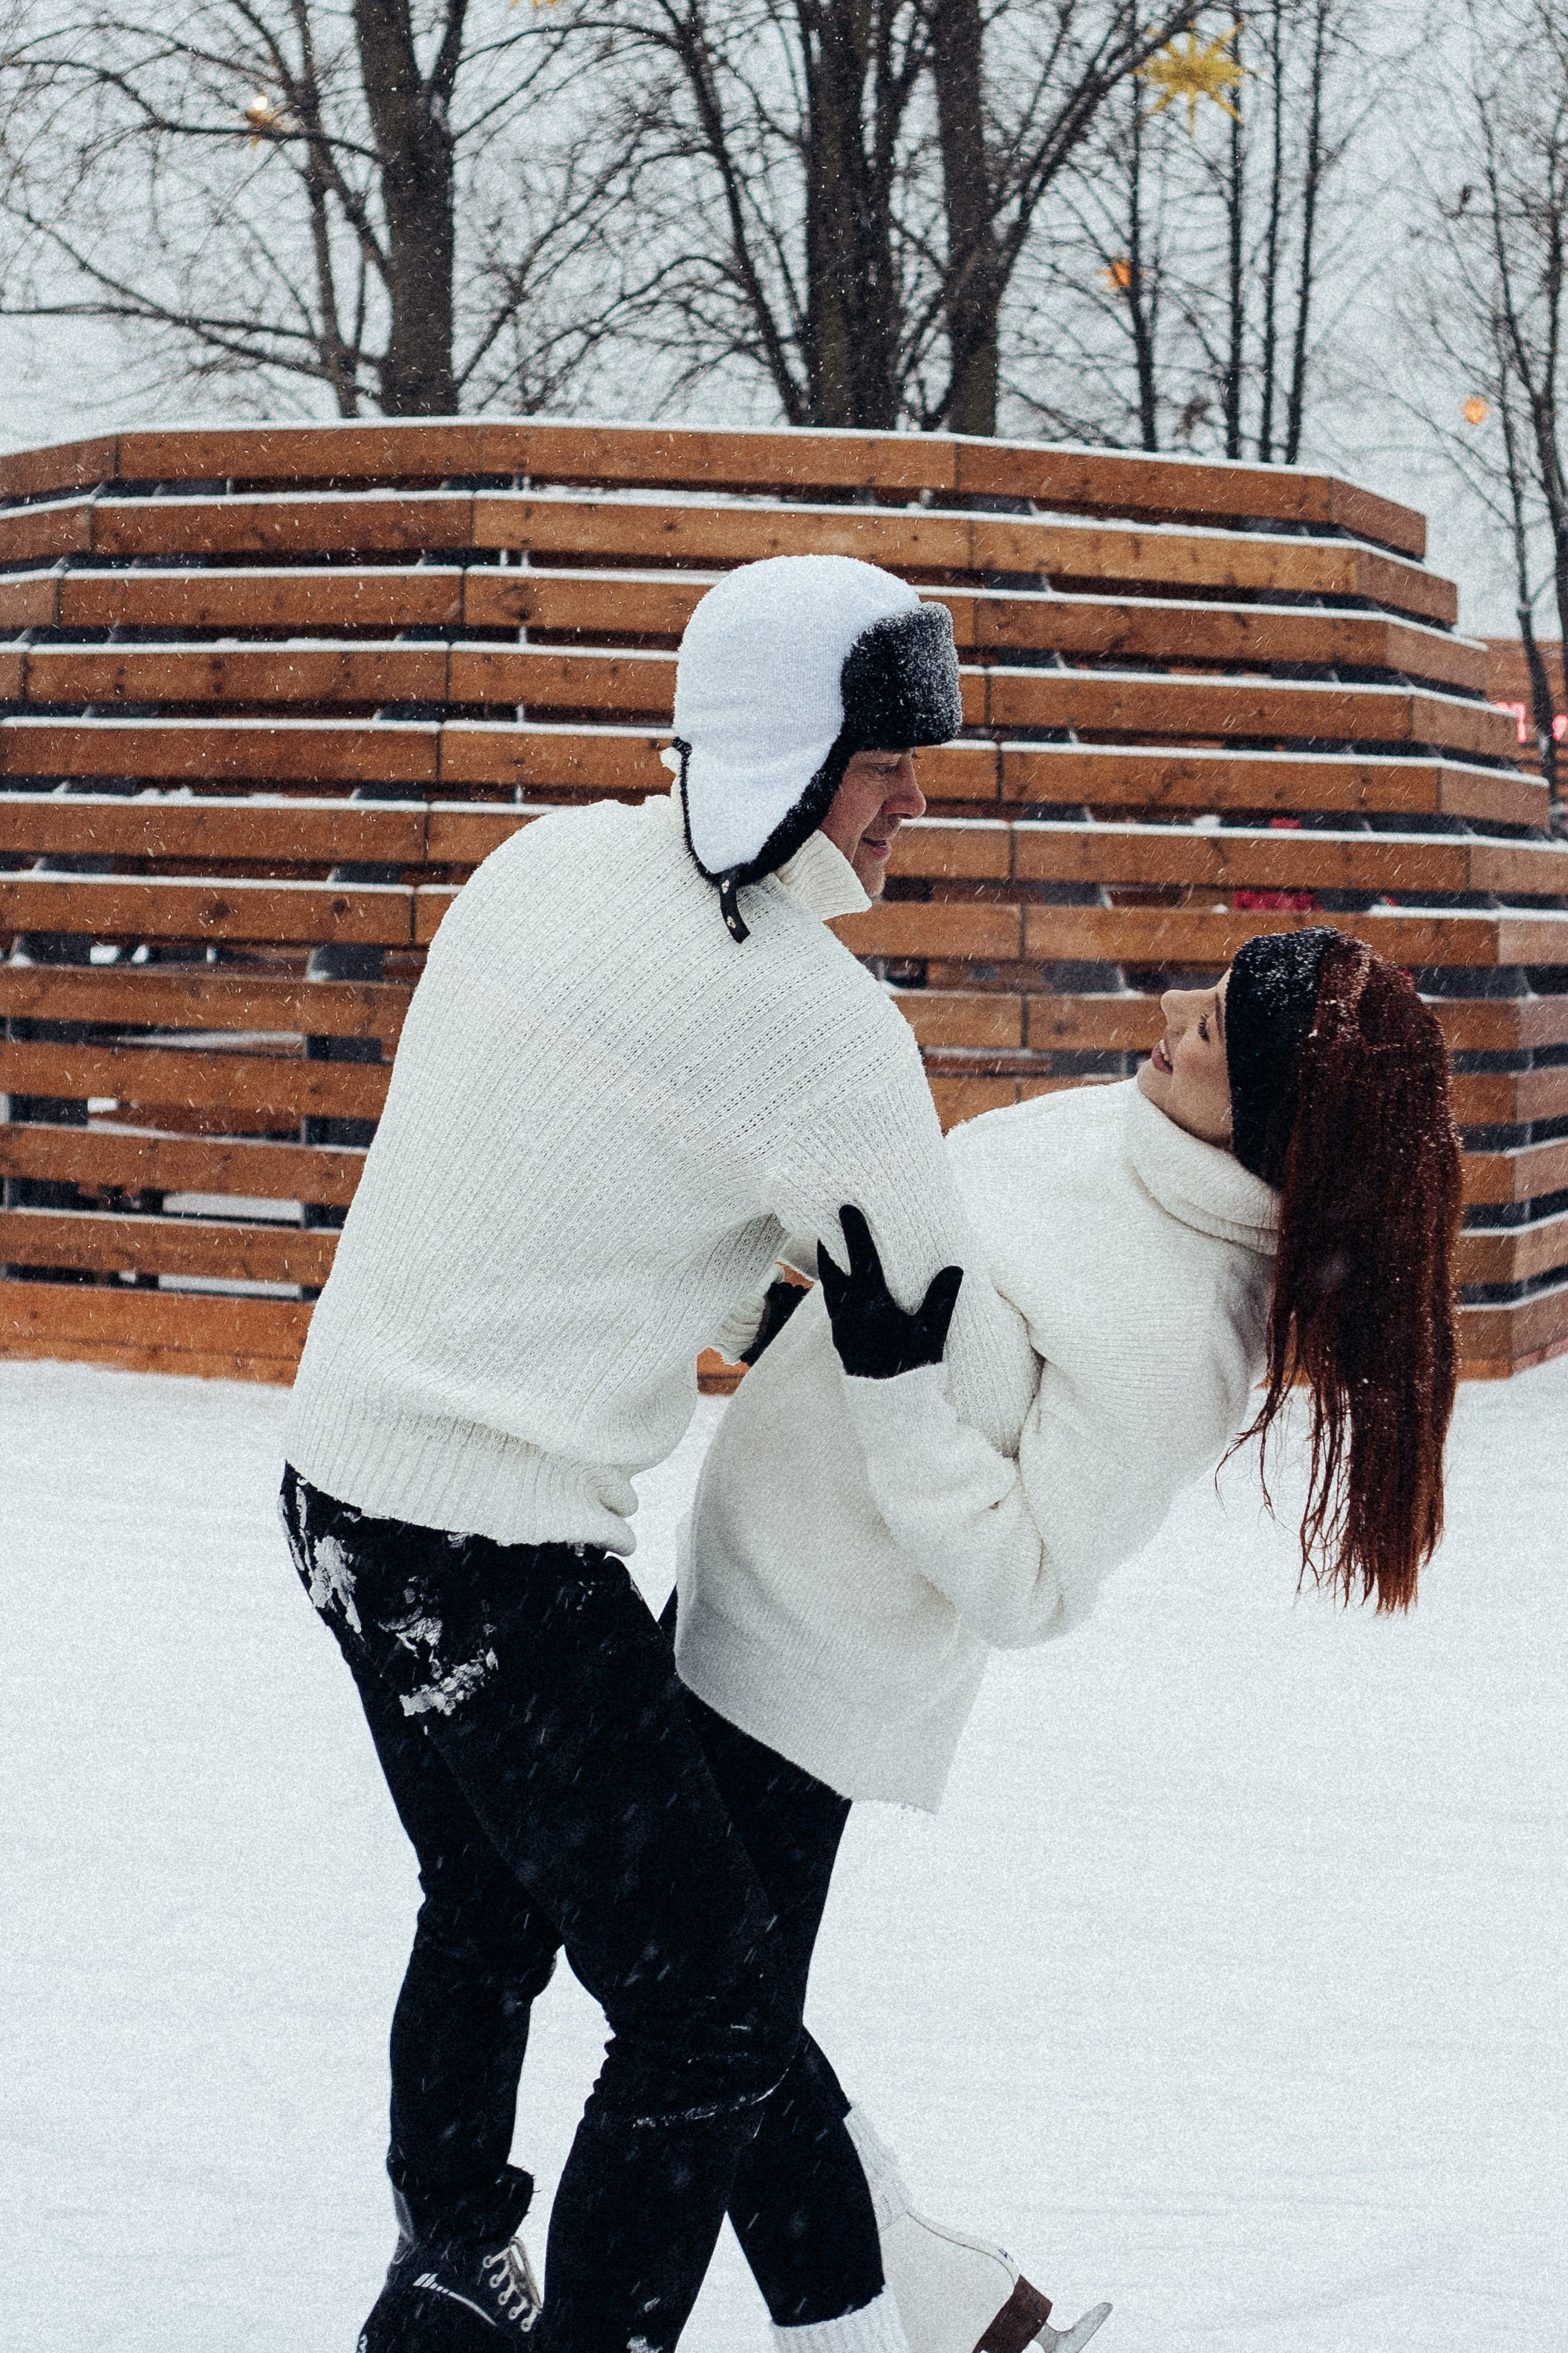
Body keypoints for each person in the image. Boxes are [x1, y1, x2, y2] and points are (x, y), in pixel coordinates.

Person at [278, 551, 1046, 2353]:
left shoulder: (543, 863)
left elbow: (554, 1183)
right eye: (887, 763)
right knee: (709, 2006)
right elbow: (950, 1306)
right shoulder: (819, 1025)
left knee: (485, 1897)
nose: (917, 800)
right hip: (492, 1545)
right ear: (789, 755)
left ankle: (454, 2260)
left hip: (333, 1489)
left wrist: (743, 1292)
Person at [673, 926, 1463, 2352]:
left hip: (811, 1671)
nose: (1171, 1014)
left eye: (1213, 1026)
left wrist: (896, 1387)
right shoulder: (1121, 1132)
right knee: (722, 2020)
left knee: (701, 2030)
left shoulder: (1186, 1328)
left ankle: (868, 2313)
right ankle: (958, 2305)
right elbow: (925, 1280)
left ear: (1276, 1114)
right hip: (739, 1585)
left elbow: (1029, 1578)